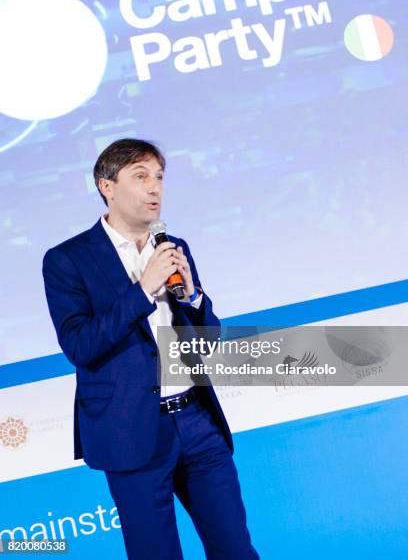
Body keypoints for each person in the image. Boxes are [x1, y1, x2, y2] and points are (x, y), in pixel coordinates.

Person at [42, 138, 259, 559]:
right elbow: (80, 345)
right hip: (131, 431)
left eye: (159, 177)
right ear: (107, 186)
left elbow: (207, 342)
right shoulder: (67, 260)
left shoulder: (172, 246)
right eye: (140, 177)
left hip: (197, 421)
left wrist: (194, 298)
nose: (154, 188)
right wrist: (143, 290)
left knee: (235, 548)